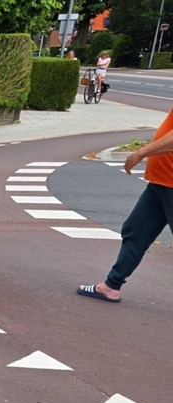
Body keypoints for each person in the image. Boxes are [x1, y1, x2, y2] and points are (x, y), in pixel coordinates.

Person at [78, 108, 173, 302]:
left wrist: (141, 152)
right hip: (161, 182)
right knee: (136, 232)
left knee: (137, 233)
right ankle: (111, 286)